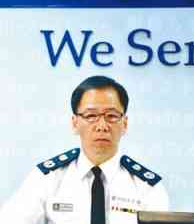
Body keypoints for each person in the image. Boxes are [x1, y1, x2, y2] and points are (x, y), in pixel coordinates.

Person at [0, 75, 168, 223]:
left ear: (124, 124)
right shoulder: (46, 179)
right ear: (75, 123)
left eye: (111, 116)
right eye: (91, 116)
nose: (102, 126)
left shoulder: (147, 187)